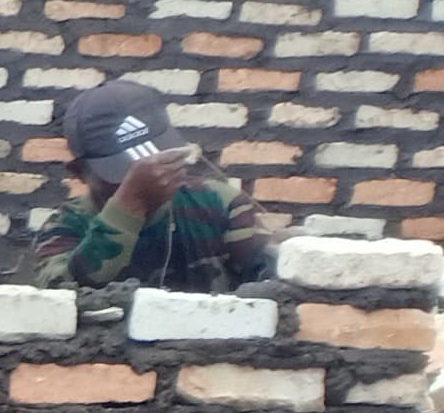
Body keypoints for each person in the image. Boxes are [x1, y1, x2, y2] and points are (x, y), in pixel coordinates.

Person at [30, 80, 276, 290]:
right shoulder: (65, 226)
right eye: (124, 174)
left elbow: (276, 291)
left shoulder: (222, 205)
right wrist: (128, 207)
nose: (152, 179)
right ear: (79, 173)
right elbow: (63, 296)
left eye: (160, 162)